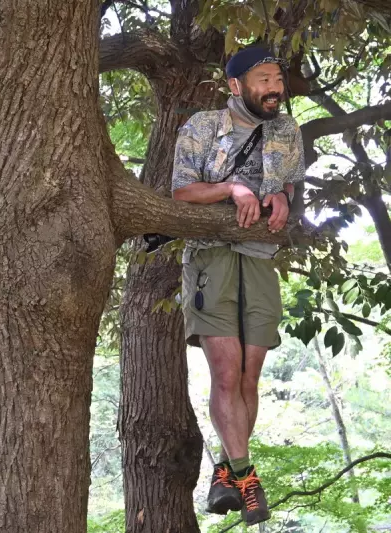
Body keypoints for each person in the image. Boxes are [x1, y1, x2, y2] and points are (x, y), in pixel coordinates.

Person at [171, 46, 305, 526]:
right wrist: (233, 189)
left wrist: (282, 196)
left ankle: (224, 473)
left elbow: (290, 184)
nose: (274, 87)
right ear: (234, 86)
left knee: (250, 377)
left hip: (260, 258)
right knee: (226, 374)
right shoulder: (202, 127)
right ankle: (247, 478)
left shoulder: (289, 130)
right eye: (263, 78)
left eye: (277, 77)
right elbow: (181, 192)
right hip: (211, 257)